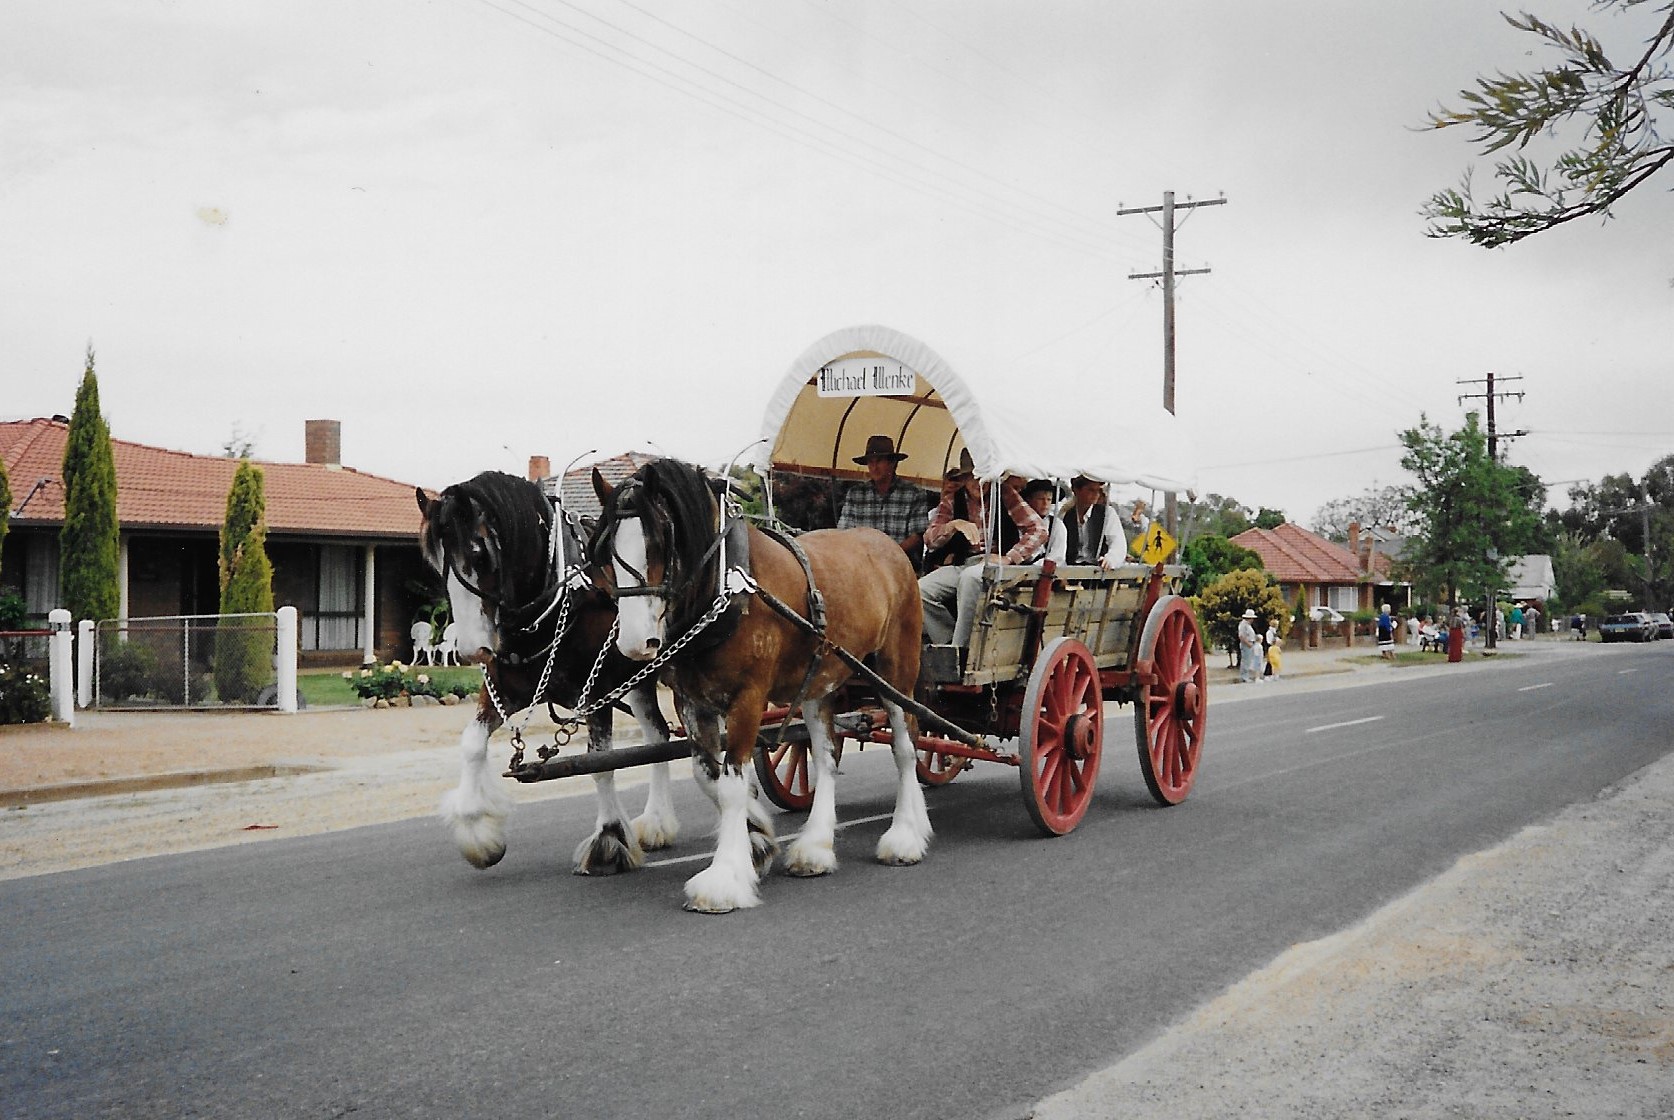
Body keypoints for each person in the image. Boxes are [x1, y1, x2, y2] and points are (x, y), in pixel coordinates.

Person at [919, 464, 1048, 651]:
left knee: (970, 577)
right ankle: (948, 642)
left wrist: (1010, 557)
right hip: (964, 563)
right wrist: (953, 525)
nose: (980, 483)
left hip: (996, 566)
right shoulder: (952, 500)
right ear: (964, 479)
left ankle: (961, 649)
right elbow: (930, 540)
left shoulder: (1005, 494)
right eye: (973, 477)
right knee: (920, 590)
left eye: (984, 477)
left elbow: (1039, 529)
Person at [837, 434, 929, 566]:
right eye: (870, 462)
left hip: (900, 564)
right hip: (862, 563)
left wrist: (890, 554)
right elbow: (844, 533)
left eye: (879, 461)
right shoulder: (855, 494)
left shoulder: (913, 493)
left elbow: (917, 536)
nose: (874, 467)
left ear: (892, 463)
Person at [1046, 476, 1126, 568]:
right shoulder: (1064, 515)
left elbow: (1118, 544)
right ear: (1076, 490)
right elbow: (1058, 548)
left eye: (1098, 490)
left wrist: (1110, 560)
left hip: (1098, 571)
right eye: (1091, 490)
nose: (1096, 494)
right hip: (1070, 570)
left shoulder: (1107, 513)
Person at [1237, 608, 1261, 683]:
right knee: (1245, 661)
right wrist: (1248, 643)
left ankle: (1245, 676)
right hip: (1246, 644)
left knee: (1248, 660)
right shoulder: (1243, 625)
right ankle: (1244, 676)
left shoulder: (1247, 625)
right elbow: (1241, 636)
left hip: (1250, 643)